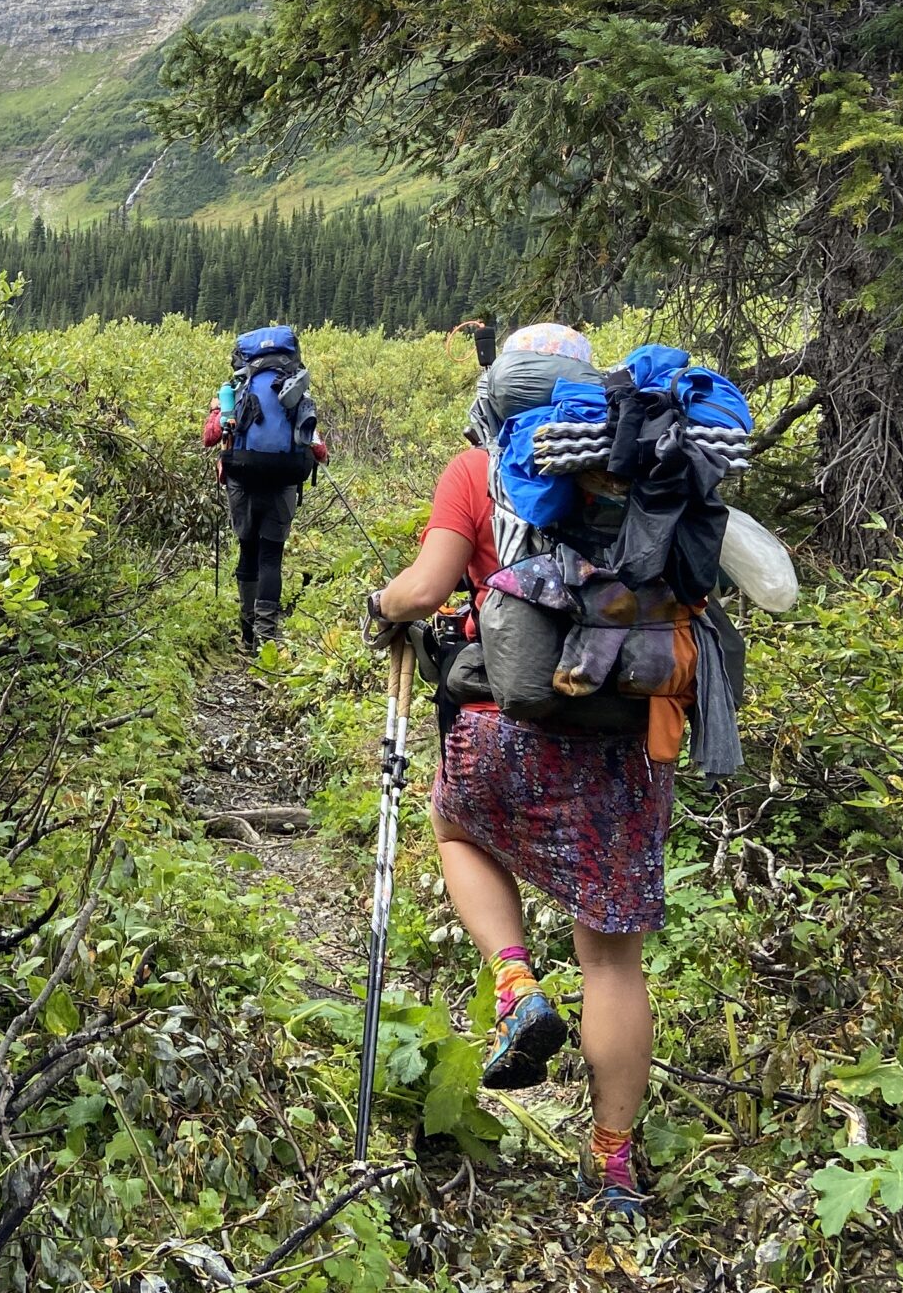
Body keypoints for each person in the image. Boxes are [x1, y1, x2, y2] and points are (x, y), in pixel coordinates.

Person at [364, 323, 663, 1218]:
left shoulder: (477, 468)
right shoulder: (642, 468)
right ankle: (612, 1167)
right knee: (612, 960)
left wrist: (380, 604)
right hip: (618, 741)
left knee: (457, 829)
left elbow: (424, 590)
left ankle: (516, 983)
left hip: (500, 725)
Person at [202, 327, 330, 652]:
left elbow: (210, 437)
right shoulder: (295, 390)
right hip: (283, 481)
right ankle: (267, 636)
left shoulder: (235, 389)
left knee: (248, 551)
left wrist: (220, 411)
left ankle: (247, 635)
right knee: (271, 556)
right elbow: (318, 448)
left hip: (242, 480)